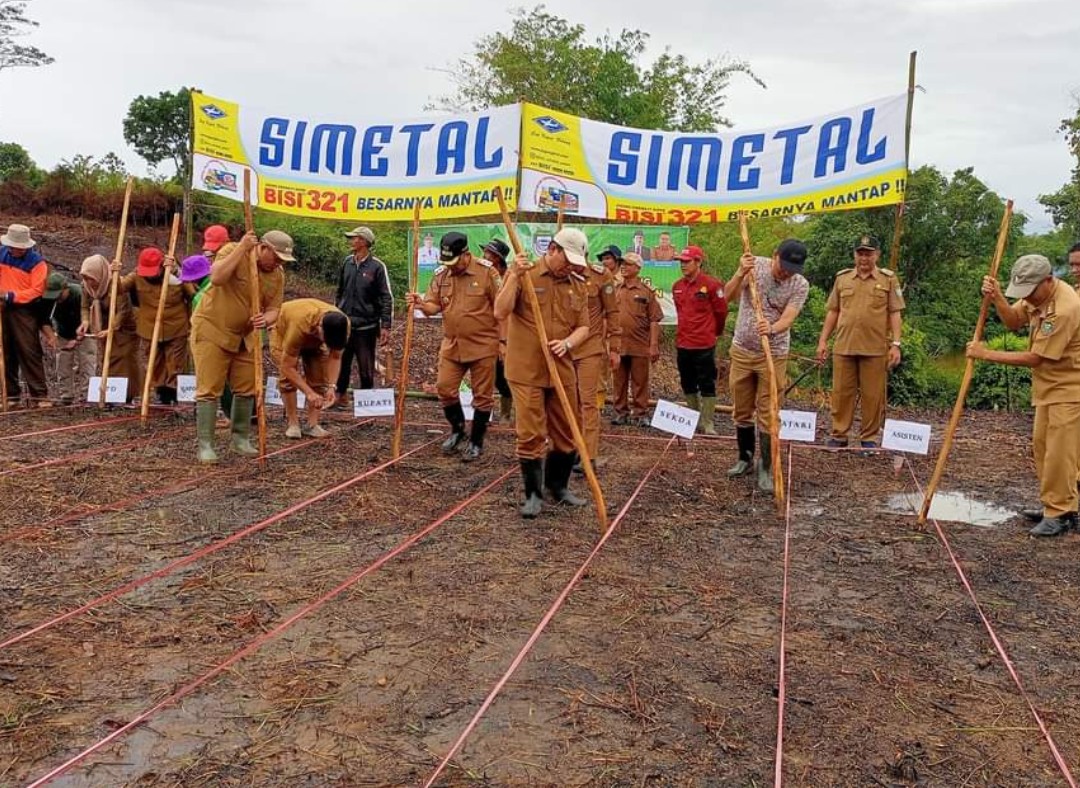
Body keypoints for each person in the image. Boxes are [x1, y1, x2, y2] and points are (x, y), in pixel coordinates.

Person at [967, 254, 1080, 537]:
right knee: (1042, 447)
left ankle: (1061, 513)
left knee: (1060, 454)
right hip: (1047, 387)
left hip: (1070, 387)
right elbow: (1014, 322)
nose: (1026, 297)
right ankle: (1054, 503)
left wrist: (985, 354)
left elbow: (1036, 357)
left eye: (1030, 290)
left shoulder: (1064, 308)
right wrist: (996, 298)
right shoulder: (1036, 295)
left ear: (1048, 280)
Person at [495, 227, 591, 518]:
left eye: (577, 261)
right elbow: (500, 311)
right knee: (531, 433)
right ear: (553, 249)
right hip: (526, 369)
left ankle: (558, 487)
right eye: (568, 258)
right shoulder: (525, 274)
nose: (572, 265)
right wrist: (512, 275)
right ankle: (533, 495)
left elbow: (585, 327)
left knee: (566, 432)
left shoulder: (577, 283)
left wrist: (567, 343)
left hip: (561, 370)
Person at [190, 230, 288, 463]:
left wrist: (268, 319)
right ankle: (206, 444)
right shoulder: (232, 251)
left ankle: (240, 438)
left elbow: (275, 308)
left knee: (246, 387)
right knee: (209, 388)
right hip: (213, 329)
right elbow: (217, 278)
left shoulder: (277, 275)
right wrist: (242, 248)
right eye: (276, 257)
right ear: (263, 248)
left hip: (247, 337)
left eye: (283, 260)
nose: (278, 263)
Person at [724, 239, 810, 492]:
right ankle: (745, 457)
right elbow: (727, 296)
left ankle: (766, 467)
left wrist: (771, 329)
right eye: (783, 265)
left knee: (769, 411)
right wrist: (740, 272)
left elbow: (788, 318)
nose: (786, 272)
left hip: (773, 354)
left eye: (792, 268)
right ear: (775, 256)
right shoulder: (754, 266)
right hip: (741, 349)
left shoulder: (800, 284)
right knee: (741, 408)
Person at [408, 232, 502, 461]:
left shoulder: (488, 272)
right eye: (446, 262)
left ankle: (476, 441)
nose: (450, 266)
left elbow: (503, 309)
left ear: (466, 255)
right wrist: (420, 304)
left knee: (483, 397)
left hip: (483, 345)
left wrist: (504, 342)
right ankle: (458, 429)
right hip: (452, 345)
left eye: (454, 261)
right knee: (445, 389)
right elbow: (433, 307)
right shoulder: (442, 274)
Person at [816, 235, 905, 449]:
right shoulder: (843, 278)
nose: (864, 258)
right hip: (844, 346)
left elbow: (895, 313)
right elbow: (833, 312)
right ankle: (839, 435)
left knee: (873, 395)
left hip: (874, 348)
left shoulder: (888, 279)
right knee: (840, 393)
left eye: (868, 253)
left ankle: (869, 438)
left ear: (877, 255)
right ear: (855, 255)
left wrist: (896, 344)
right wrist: (822, 341)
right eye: (860, 253)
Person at [116, 247, 194, 405]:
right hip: (149, 328)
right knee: (155, 363)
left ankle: (174, 393)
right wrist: (115, 274)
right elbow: (118, 288)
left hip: (176, 327)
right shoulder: (136, 275)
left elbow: (193, 294)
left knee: (175, 363)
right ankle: (160, 393)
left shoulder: (174, 275)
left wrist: (177, 273)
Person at [570, 245, 621, 471]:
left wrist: (615, 347)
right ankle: (568, 448)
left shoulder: (601, 277)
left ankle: (588, 455)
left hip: (590, 348)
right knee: (567, 402)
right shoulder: (559, 277)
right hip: (563, 349)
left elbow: (612, 312)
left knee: (588, 401)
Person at [270, 298, 349, 439]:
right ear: (319, 328)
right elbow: (287, 367)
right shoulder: (299, 324)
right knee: (287, 380)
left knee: (319, 377)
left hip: (313, 339)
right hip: (284, 332)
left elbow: (335, 357)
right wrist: (308, 392)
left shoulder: (343, 325)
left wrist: (331, 386)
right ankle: (293, 423)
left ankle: (312, 425)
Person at [671, 244, 728, 434]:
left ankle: (708, 421)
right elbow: (680, 313)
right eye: (681, 262)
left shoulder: (712, 285)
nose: (683, 265)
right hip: (683, 343)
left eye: (687, 262)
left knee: (707, 382)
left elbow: (721, 313)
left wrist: (714, 333)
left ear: (698, 262)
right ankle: (693, 420)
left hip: (704, 343)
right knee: (687, 382)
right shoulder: (677, 286)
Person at [335, 226, 393, 404]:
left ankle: (366, 403)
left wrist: (385, 326)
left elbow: (386, 297)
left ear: (364, 242)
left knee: (365, 365)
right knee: (342, 362)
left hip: (366, 325)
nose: (351, 241)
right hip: (345, 323)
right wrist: (337, 313)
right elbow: (340, 290)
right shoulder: (347, 263)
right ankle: (341, 396)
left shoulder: (377, 267)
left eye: (355, 238)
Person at [78, 254, 142, 403]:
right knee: (109, 358)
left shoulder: (116, 284)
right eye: (86, 278)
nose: (89, 282)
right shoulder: (86, 287)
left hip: (125, 327)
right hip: (103, 326)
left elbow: (123, 310)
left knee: (124, 358)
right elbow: (84, 306)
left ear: (100, 274)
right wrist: (86, 321)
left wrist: (112, 329)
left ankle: (129, 394)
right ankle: (113, 395)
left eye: (91, 278)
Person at [0, 223, 49, 407]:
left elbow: (36, 290)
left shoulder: (37, 263)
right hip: (3, 306)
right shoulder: (1, 253)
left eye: (19, 247)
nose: (15, 250)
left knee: (29, 350)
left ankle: (39, 395)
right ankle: (11, 395)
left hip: (24, 310)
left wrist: (12, 295)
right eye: (13, 246)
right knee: (5, 350)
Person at [611, 252, 661, 426]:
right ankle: (620, 412)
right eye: (622, 264)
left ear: (638, 268)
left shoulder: (646, 292)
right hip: (618, 344)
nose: (624, 266)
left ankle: (640, 413)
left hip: (640, 344)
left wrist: (653, 345)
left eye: (629, 264)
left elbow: (655, 319)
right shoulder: (615, 289)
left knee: (640, 381)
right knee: (619, 381)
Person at [40, 272, 95, 405]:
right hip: (64, 332)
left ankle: (87, 395)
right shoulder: (47, 298)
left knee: (87, 360)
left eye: (59, 294)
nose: (56, 298)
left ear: (66, 288)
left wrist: (77, 339)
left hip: (85, 331)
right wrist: (51, 336)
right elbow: (43, 319)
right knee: (63, 362)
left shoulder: (79, 294)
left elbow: (90, 315)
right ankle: (66, 395)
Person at [480, 238, 513, 422]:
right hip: (484, 333)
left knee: (503, 375)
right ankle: (484, 413)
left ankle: (506, 413)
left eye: (489, 254)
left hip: (504, 333)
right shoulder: (481, 275)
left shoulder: (508, 278)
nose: (485, 256)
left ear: (498, 259)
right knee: (484, 375)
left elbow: (507, 313)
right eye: (485, 252)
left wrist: (504, 341)